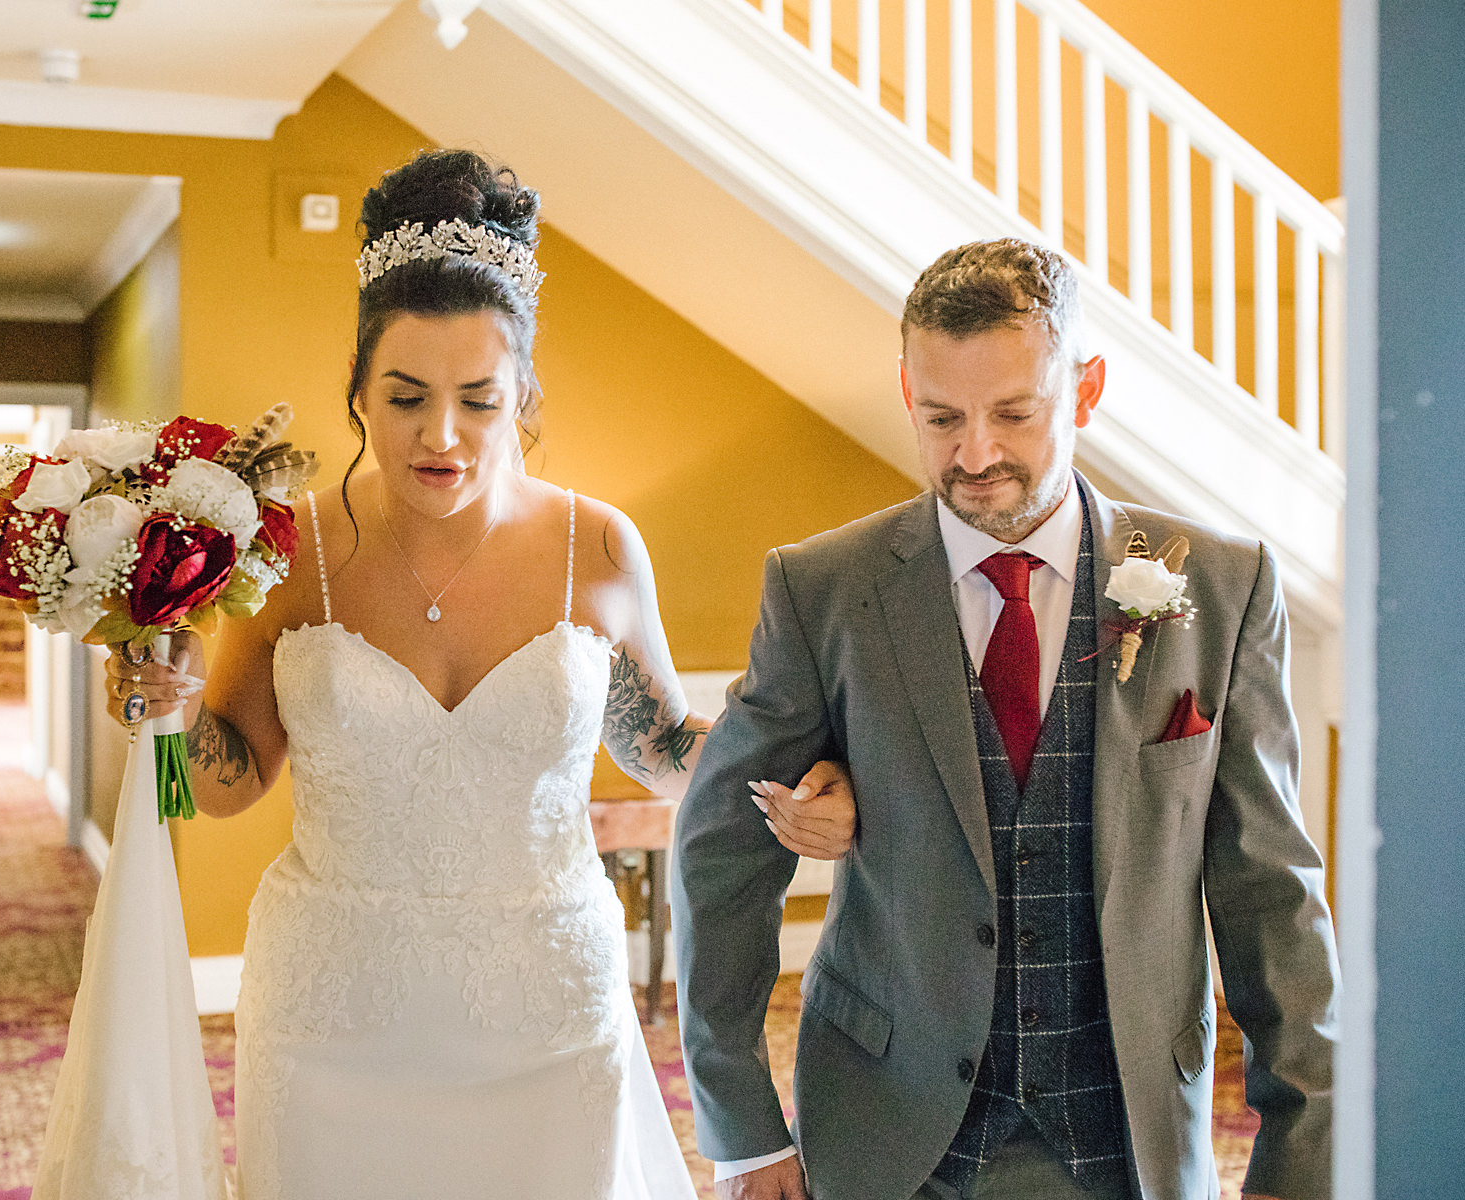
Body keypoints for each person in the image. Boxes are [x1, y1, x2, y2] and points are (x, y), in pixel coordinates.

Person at [105, 149, 857, 1199]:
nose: (441, 435)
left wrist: (807, 760)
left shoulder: (596, 547)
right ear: (358, 388)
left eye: (479, 400)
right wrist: (170, 728)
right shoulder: (287, 556)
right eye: (405, 396)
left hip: (546, 1014)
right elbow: (219, 794)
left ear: (524, 395)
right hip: (332, 1021)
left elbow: (661, 752)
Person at [673, 238, 1340, 1200]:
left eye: (1014, 414)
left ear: (1087, 388)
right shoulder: (823, 590)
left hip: (1128, 1134)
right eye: (941, 416)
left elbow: (1271, 890)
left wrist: (1299, 1154)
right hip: (890, 1132)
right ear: (907, 391)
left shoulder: (1222, 588)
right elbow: (723, 848)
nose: (974, 454)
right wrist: (741, 1128)